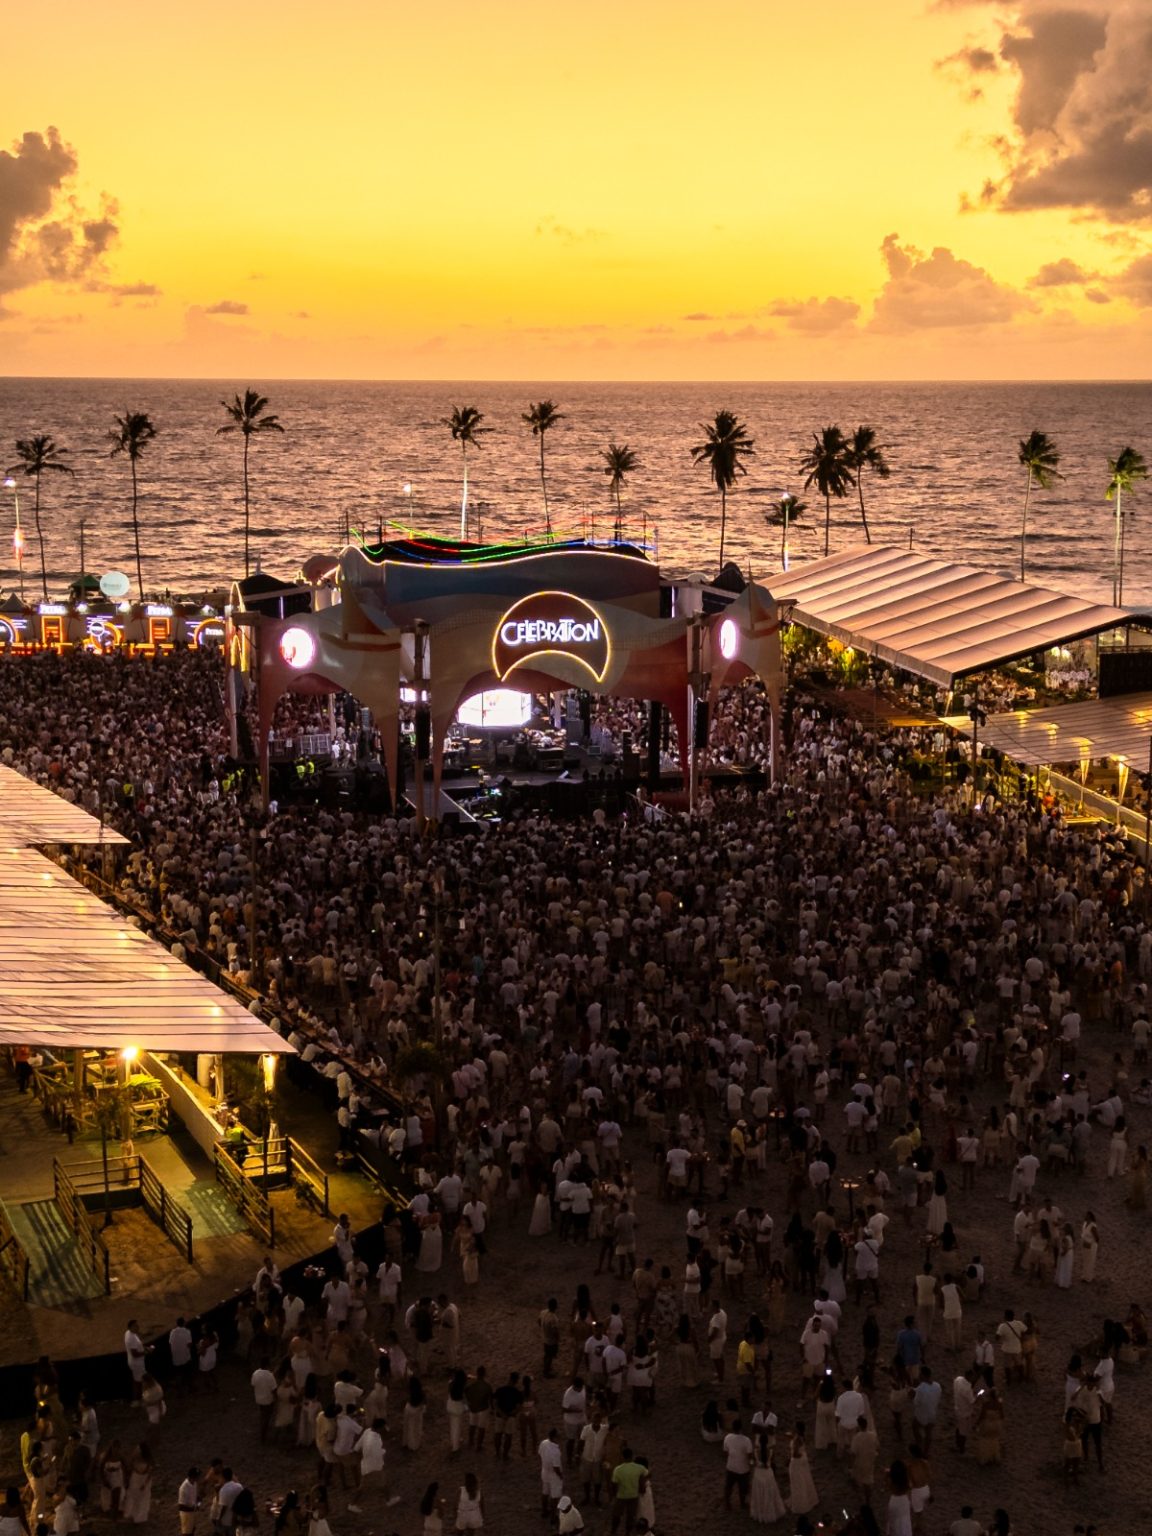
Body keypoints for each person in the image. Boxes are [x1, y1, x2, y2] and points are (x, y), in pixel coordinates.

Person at [786, 1423, 818, 1516]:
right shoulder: (801, 1437)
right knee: (805, 1478)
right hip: (803, 1459)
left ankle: (800, 1503)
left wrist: (789, 1459)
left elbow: (795, 1454)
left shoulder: (797, 1440)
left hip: (797, 1462)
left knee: (797, 1482)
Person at [722, 1417, 753, 1510]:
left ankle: (727, 1503)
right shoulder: (746, 1440)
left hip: (731, 1466)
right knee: (743, 1487)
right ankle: (742, 1503)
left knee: (729, 1486)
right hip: (743, 1468)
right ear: (741, 1427)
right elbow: (749, 1455)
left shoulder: (727, 1437)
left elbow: (725, 1452)